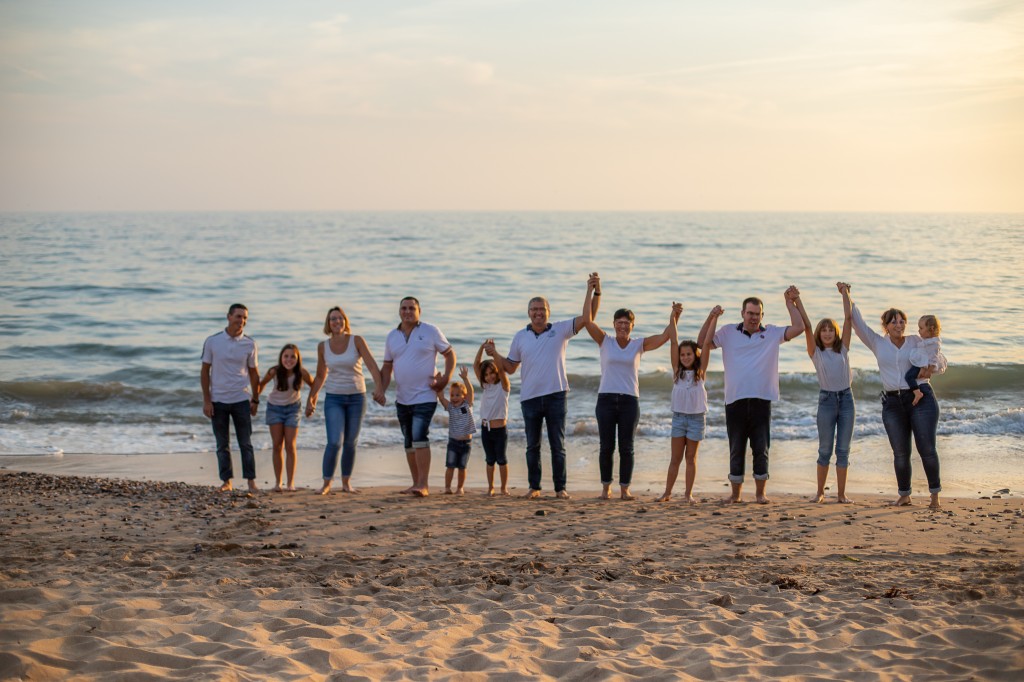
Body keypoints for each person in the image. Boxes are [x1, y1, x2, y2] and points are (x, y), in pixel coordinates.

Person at [485, 273, 601, 499]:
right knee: (532, 447)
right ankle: (534, 487)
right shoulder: (520, 337)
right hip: (529, 398)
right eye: (534, 309)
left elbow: (588, 318)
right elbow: (509, 368)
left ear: (548, 312)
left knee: (558, 446)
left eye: (542, 309)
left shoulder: (560, 329)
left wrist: (594, 291)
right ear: (529, 313)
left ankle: (560, 489)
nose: (538, 313)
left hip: (556, 395)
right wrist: (495, 354)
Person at [698, 287, 804, 504]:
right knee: (736, 448)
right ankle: (735, 495)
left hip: (761, 400)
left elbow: (799, 327)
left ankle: (760, 494)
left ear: (762, 316)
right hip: (735, 400)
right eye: (750, 313)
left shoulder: (772, 333)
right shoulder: (728, 332)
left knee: (761, 449)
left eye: (757, 314)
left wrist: (789, 303)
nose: (753, 317)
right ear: (742, 313)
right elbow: (702, 343)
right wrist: (712, 317)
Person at [847, 284, 946, 508]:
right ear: (886, 325)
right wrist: (847, 295)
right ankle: (904, 494)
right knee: (900, 452)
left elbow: (940, 357)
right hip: (892, 402)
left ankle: (935, 496)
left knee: (926, 448)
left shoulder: (915, 340)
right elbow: (858, 323)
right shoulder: (877, 343)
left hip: (922, 399)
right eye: (894, 321)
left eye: (902, 321)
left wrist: (931, 368)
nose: (899, 325)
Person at [583, 299, 680, 500]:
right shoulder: (604, 341)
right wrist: (592, 291)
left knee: (627, 447)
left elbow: (665, 336)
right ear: (613, 324)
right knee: (606, 446)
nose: (623, 326)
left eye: (627, 322)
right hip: (606, 400)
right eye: (619, 322)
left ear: (632, 326)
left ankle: (625, 489)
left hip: (629, 401)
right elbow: (587, 320)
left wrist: (673, 317)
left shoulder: (638, 344)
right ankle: (605, 488)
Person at [379, 296, 456, 497]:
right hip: (402, 397)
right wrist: (381, 389)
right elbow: (387, 367)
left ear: (419, 311)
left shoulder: (430, 331)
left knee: (419, 436)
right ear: (399, 311)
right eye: (404, 308)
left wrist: (446, 378)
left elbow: (449, 354)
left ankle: (424, 484)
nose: (407, 311)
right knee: (409, 440)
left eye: (412, 308)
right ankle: (415, 483)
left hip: (426, 395)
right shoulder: (392, 336)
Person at [306, 306, 385, 496]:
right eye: (333, 319)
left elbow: (372, 366)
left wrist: (380, 388)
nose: (337, 322)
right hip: (334, 397)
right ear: (328, 323)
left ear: (345, 321)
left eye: (340, 318)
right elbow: (319, 376)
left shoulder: (356, 341)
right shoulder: (322, 346)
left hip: (357, 397)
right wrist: (312, 398)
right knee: (334, 441)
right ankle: (326, 483)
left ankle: (346, 482)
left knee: (350, 442)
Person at [794, 284, 855, 504]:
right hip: (827, 401)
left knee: (843, 450)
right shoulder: (816, 353)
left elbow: (848, 319)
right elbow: (807, 325)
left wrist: (845, 294)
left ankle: (841, 495)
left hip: (847, 400)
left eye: (831, 329)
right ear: (820, 334)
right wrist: (797, 301)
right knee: (825, 450)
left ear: (835, 332)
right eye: (824, 330)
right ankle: (820, 493)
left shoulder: (844, 349)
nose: (827, 333)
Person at [657, 305, 719, 504]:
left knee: (691, 459)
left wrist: (713, 317)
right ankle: (667, 492)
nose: (684, 357)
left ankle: (688, 495)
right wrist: (674, 316)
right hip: (678, 419)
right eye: (682, 355)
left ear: (695, 355)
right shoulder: (677, 372)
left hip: (696, 419)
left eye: (689, 354)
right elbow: (674, 341)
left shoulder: (700, 373)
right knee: (675, 459)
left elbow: (707, 342)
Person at [200, 303, 260, 493]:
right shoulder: (213, 341)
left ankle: (251, 481)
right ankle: (227, 481)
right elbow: (204, 371)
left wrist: (256, 399)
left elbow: (254, 373)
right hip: (218, 400)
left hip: (241, 399)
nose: (242, 321)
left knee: (246, 443)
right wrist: (207, 400)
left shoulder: (250, 344)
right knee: (222, 444)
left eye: (245, 318)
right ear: (229, 317)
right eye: (238, 316)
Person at [258, 344, 314, 492]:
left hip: (293, 409)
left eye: (292, 357)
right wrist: (254, 401)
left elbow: (315, 386)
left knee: (290, 445)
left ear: (298, 358)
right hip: (274, 408)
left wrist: (311, 403)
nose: (289, 360)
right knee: (277, 445)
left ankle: (291, 483)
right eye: (286, 356)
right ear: (281, 357)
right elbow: (261, 384)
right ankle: (278, 483)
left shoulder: (302, 372)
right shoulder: (274, 371)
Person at [474, 341, 512, 496]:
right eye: (486, 374)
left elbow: (502, 370)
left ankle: (503, 488)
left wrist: (494, 353)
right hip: (486, 429)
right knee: (490, 460)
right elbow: (476, 364)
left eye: (492, 373)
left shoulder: (503, 387)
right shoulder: (485, 386)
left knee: (501, 459)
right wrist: (482, 347)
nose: (489, 377)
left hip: (500, 430)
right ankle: (491, 487)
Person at [436, 366, 476, 495]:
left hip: (466, 443)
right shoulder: (450, 407)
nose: (454, 397)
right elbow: (441, 398)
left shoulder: (467, 404)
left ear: (464, 396)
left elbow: (471, 391)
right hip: (453, 442)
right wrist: (439, 384)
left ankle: (460, 488)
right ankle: (447, 487)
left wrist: (465, 379)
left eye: (458, 395)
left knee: (462, 467)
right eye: (452, 395)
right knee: (450, 466)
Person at [906, 315, 944, 407]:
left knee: (908, 377)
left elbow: (933, 358)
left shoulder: (934, 344)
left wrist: (928, 370)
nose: (919, 330)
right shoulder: (928, 340)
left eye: (921, 328)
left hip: (923, 365)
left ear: (930, 329)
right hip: (921, 363)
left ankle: (917, 393)